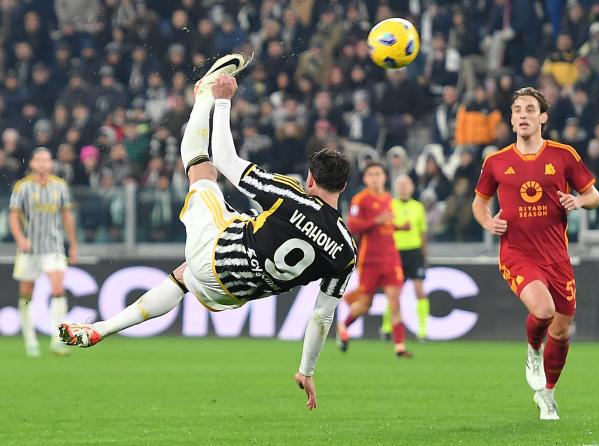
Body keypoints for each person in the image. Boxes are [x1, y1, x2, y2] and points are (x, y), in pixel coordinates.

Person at [58, 55, 357, 411]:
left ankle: (201, 93)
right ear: (344, 186)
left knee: (201, 169)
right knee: (184, 276)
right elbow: (322, 315)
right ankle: (100, 330)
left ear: (310, 179)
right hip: (232, 295)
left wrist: (222, 101)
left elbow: (227, 160)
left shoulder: (291, 194)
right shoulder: (345, 252)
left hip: (216, 253)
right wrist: (306, 370)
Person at [472, 87, 599, 420]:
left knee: (562, 329)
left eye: (530, 109)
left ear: (543, 117)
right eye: (517, 110)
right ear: (512, 119)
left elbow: (594, 195)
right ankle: (533, 351)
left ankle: (547, 394)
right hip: (517, 253)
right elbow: (479, 202)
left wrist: (579, 201)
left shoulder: (563, 155)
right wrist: (488, 222)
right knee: (543, 311)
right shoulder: (496, 161)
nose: (523, 115)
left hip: (557, 256)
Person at [337, 162, 412, 358]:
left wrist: (398, 227)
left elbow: (385, 225)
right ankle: (343, 326)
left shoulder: (388, 198)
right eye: (371, 174)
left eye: (378, 174)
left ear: (384, 178)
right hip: (370, 259)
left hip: (390, 257)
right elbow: (352, 225)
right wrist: (375, 221)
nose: (375, 177)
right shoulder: (360, 200)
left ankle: (400, 347)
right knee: (365, 304)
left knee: (394, 301)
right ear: (365, 179)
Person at [9, 147, 78, 357]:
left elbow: (67, 216)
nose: (42, 163)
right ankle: (30, 340)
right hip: (29, 249)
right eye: (38, 159)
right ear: (31, 163)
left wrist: (73, 244)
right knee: (26, 294)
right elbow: (13, 216)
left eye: (46, 160)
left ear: (51, 164)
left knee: (58, 289)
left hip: (53, 247)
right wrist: (20, 238)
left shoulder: (60, 186)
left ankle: (58, 340)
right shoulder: (22, 187)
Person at [380, 175, 429, 341]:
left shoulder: (418, 207)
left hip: (414, 253)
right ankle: (386, 328)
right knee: (394, 293)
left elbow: (422, 233)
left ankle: (422, 331)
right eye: (400, 185)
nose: (403, 188)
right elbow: (384, 229)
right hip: (396, 252)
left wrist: (424, 256)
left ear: (412, 187)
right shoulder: (390, 205)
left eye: (406, 184)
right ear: (395, 187)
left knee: (420, 291)